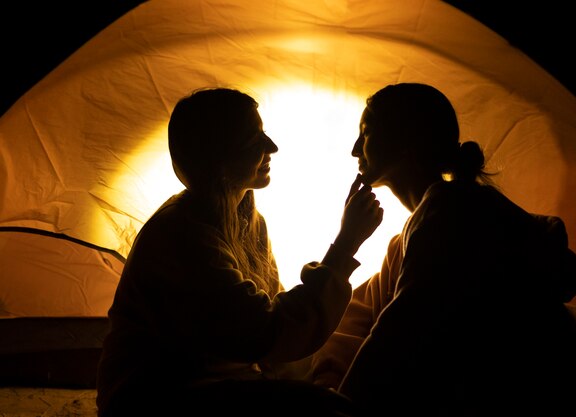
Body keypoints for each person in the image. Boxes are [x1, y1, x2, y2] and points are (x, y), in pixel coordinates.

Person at [308, 83, 576, 416]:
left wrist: (336, 413)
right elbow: (360, 314)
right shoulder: (417, 230)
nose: (354, 150)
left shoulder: (449, 216)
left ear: (405, 140)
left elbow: (397, 338)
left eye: (365, 133)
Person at [95, 87, 383, 417]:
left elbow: (271, 322)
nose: (272, 147)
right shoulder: (184, 233)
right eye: (255, 138)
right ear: (221, 155)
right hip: (155, 397)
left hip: (216, 382)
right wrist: (345, 245)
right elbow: (264, 333)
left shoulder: (245, 218)